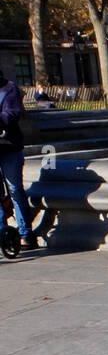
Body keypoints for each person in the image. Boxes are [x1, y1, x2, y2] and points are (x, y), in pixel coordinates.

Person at [0, 69, 37, 250]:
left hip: (9, 146)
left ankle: (25, 233)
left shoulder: (9, 88)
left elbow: (11, 114)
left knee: (15, 189)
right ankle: (2, 233)